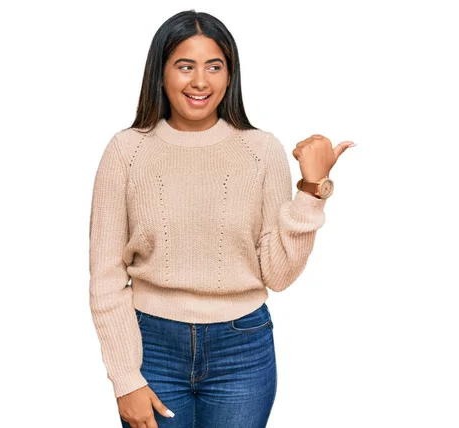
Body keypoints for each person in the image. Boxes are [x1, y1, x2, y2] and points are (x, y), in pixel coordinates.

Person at [88, 9, 355, 428]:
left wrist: (311, 191)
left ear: (230, 76)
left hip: (242, 349)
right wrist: (124, 379)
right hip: (151, 346)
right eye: (185, 66)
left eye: (214, 66)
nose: (200, 81)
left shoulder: (261, 150)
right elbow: (105, 276)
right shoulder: (126, 152)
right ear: (160, 74)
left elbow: (278, 275)